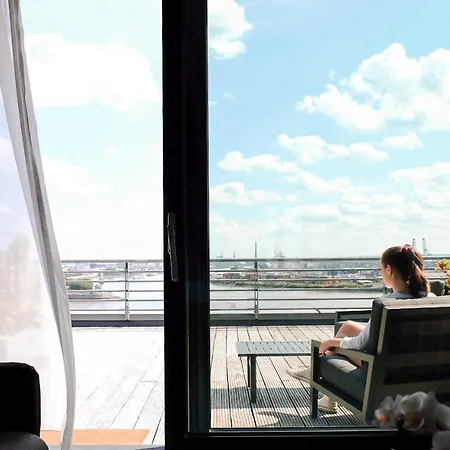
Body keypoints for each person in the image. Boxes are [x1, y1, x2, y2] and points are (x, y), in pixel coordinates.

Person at [286, 244, 435, 414]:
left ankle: (318, 379)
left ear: (389, 269)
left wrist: (330, 342)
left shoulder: (387, 304)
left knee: (332, 349)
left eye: (381, 269)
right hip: (416, 365)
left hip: (384, 369)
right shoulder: (431, 298)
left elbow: (360, 344)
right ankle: (327, 400)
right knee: (348, 326)